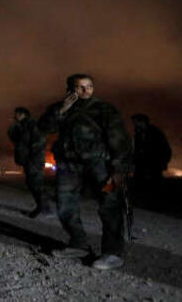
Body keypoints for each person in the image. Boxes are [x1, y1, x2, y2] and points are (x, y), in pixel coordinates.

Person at [39, 74, 132, 270]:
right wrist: (62, 110)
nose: (85, 90)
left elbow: (119, 138)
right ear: (69, 89)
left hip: (99, 164)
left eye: (89, 86)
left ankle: (112, 252)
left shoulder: (104, 108)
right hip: (68, 164)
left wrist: (119, 167)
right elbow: (43, 128)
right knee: (65, 205)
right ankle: (78, 244)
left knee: (109, 206)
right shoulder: (61, 108)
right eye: (80, 87)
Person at [7, 106, 51, 218]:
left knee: (36, 184)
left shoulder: (32, 125)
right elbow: (14, 138)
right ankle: (42, 207)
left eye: (17, 114)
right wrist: (13, 126)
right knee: (32, 183)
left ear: (23, 114)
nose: (15, 116)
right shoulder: (21, 126)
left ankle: (44, 208)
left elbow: (39, 142)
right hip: (28, 160)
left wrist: (32, 159)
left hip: (34, 161)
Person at [131, 114, 172, 190]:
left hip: (153, 162)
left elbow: (163, 148)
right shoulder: (139, 133)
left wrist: (162, 161)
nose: (134, 124)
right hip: (142, 162)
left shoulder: (155, 133)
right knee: (140, 183)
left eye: (135, 122)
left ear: (142, 122)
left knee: (155, 183)